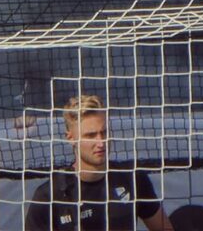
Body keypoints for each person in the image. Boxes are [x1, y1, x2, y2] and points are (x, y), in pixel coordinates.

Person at [24, 95, 174, 231]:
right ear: (70, 138)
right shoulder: (49, 196)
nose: (101, 142)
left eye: (103, 132)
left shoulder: (133, 179)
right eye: (90, 135)